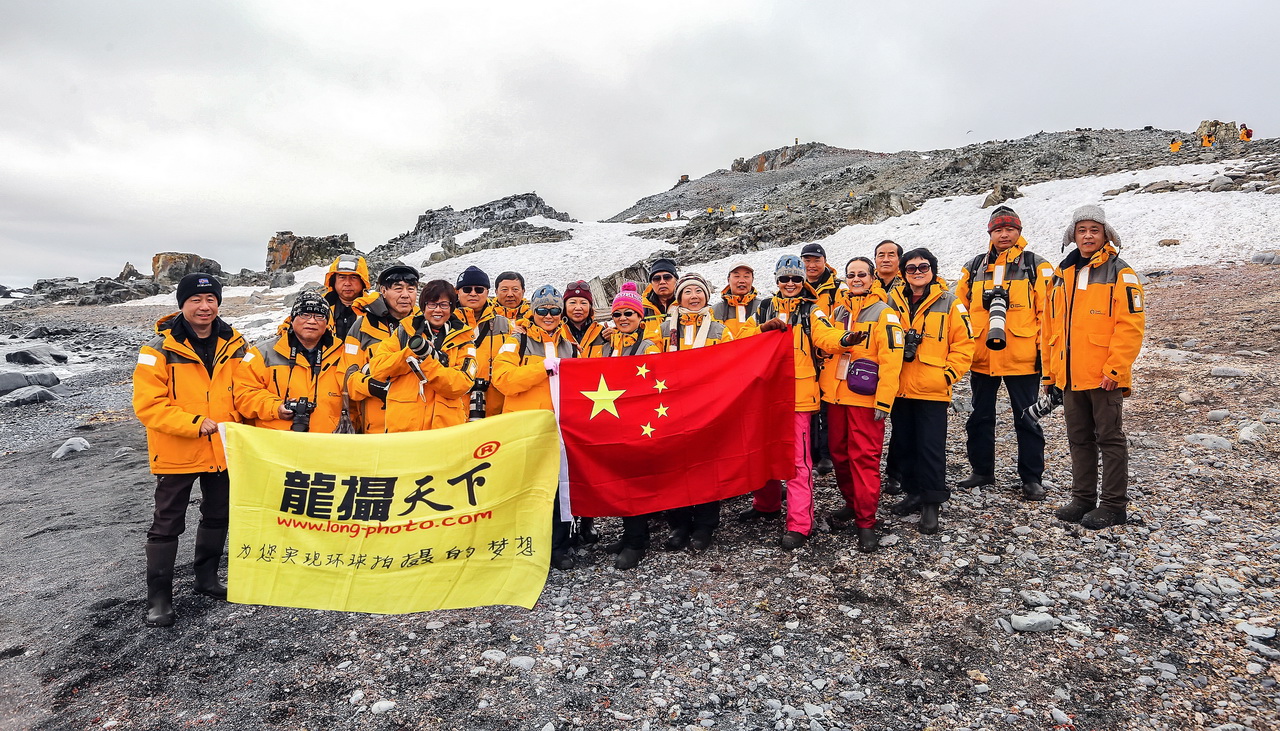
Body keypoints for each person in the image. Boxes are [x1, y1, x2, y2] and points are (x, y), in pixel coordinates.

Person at [132, 273, 247, 627]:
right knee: (166, 523)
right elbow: (148, 405)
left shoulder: (237, 344)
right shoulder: (157, 349)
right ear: (182, 304)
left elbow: (248, 391)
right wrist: (194, 423)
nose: (204, 306)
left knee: (218, 513)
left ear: (218, 303)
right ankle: (159, 599)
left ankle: (207, 579)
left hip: (222, 449)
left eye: (210, 299)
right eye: (196, 300)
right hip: (177, 450)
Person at [1043, 205, 1145, 529]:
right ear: (1073, 234)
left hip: (1104, 377)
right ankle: (1083, 499)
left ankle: (1114, 505)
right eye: (1081, 230)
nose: (1087, 236)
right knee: (1079, 438)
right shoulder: (1063, 273)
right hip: (1070, 375)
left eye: (1094, 230)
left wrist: (1115, 369)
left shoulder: (1120, 272)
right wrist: (1050, 373)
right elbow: (1050, 326)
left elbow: (1130, 326)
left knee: (1110, 438)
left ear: (1105, 234)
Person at [739, 256, 851, 550]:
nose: (790, 284)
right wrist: (761, 329)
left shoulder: (812, 310)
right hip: (765, 395)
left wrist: (846, 339)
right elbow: (737, 337)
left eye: (796, 279)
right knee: (764, 453)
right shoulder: (763, 309)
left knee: (799, 462)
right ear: (776, 280)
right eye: (784, 279)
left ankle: (801, 523)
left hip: (799, 397)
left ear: (803, 282)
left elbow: (826, 336)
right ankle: (766, 504)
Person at [953, 206, 1056, 501]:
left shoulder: (1037, 266)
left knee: (1028, 418)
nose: (1004, 234)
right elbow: (959, 312)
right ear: (990, 233)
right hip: (982, 357)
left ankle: (1031, 478)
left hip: (1022, 358)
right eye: (998, 229)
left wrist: (1042, 354)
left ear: (1019, 232)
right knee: (979, 416)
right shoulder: (973, 268)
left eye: (1009, 229)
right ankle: (981, 470)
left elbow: (1047, 314)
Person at [491, 284, 582, 569]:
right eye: (542, 310)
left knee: (558, 488)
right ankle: (526, 546)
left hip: (559, 429)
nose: (549, 315)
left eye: (554, 310)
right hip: (526, 429)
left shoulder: (570, 346)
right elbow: (503, 379)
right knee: (527, 489)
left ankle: (558, 546)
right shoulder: (516, 342)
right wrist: (541, 368)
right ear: (533, 311)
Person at [886, 248, 974, 535]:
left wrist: (947, 375)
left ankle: (932, 502)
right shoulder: (891, 302)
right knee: (905, 444)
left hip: (932, 389)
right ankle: (913, 492)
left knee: (931, 448)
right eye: (910, 268)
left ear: (933, 269)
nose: (917, 272)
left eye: (923, 267)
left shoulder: (950, 302)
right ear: (903, 273)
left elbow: (964, 345)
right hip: (899, 387)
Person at [820, 257, 904, 553]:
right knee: (840, 456)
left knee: (864, 458)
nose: (857, 279)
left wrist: (884, 399)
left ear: (872, 279)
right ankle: (852, 504)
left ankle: (866, 521)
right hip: (836, 396)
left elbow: (892, 358)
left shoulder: (884, 312)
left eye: (862, 275)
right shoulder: (838, 312)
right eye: (851, 275)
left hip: (865, 399)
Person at [657, 273, 734, 552]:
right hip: (671, 408)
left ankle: (705, 525)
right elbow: (649, 360)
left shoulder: (719, 330)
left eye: (698, 291)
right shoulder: (664, 330)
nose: (693, 296)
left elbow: (732, 364)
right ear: (679, 298)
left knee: (705, 467)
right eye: (687, 291)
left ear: (706, 296)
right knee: (674, 467)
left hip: (707, 408)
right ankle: (679, 523)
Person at [593, 282, 661, 570]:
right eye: (618, 313)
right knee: (621, 481)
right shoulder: (607, 346)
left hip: (638, 423)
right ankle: (628, 534)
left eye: (629, 314)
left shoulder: (649, 346)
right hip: (614, 423)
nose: (623, 318)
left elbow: (653, 383)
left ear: (640, 318)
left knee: (635, 481)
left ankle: (637, 540)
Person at [234, 291, 361, 433]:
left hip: (328, 443)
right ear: (292, 318)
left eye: (319, 316)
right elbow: (243, 395)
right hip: (278, 443)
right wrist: (276, 407)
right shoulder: (262, 354)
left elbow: (356, 400)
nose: (312, 321)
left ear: (327, 322)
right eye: (305, 314)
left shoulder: (343, 354)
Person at [367, 280, 478, 432]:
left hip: (445, 430)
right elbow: (378, 369)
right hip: (404, 428)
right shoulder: (404, 332)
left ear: (452, 308)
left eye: (444, 305)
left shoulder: (465, 340)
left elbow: (460, 384)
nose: (437, 310)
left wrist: (426, 362)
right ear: (423, 306)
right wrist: (410, 353)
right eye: (432, 304)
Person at [342, 264, 421, 433]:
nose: (405, 295)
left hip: (418, 427)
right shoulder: (361, 328)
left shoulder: (426, 324)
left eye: (411, 289)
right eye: (398, 289)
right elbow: (348, 378)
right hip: (376, 429)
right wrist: (372, 386)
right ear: (383, 291)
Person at [800, 243, 838, 476]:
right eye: (807, 260)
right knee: (810, 406)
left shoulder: (836, 289)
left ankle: (826, 455)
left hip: (828, 354)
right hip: (806, 356)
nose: (811, 265)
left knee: (827, 408)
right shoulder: (798, 285)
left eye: (816, 260)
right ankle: (812, 453)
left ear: (824, 260)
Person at [454, 266, 511, 418]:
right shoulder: (445, 324)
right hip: (453, 412)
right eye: (467, 289)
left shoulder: (506, 326)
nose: (473, 293)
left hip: (496, 413)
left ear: (487, 292)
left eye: (479, 289)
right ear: (457, 291)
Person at [322, 254, 373, 340]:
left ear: (363, 281)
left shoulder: (373, 309)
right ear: (334, 281)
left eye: (353, 277)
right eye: (342, 277)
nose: (347, 283)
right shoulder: (320, 307)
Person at [712, 262, 763, 338]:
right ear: (728, 280)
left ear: (752, 279)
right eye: (737, 276)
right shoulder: (715, 310)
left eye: (746, 276)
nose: (741, 280)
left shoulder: (763, 307)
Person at [562, 280, 606, 356]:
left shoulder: (603, 334)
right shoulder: (557, 333)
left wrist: (615, 337)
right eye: (572, 302)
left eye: (583, 303)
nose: (578, 308)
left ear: (590, 307)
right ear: (564, 306)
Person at [641, 258, 680, 337]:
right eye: (656, 278)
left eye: (667, 277)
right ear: (651, 283)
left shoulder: (687, 305)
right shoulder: (641, 309)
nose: (662, 282)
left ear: (676, 280)